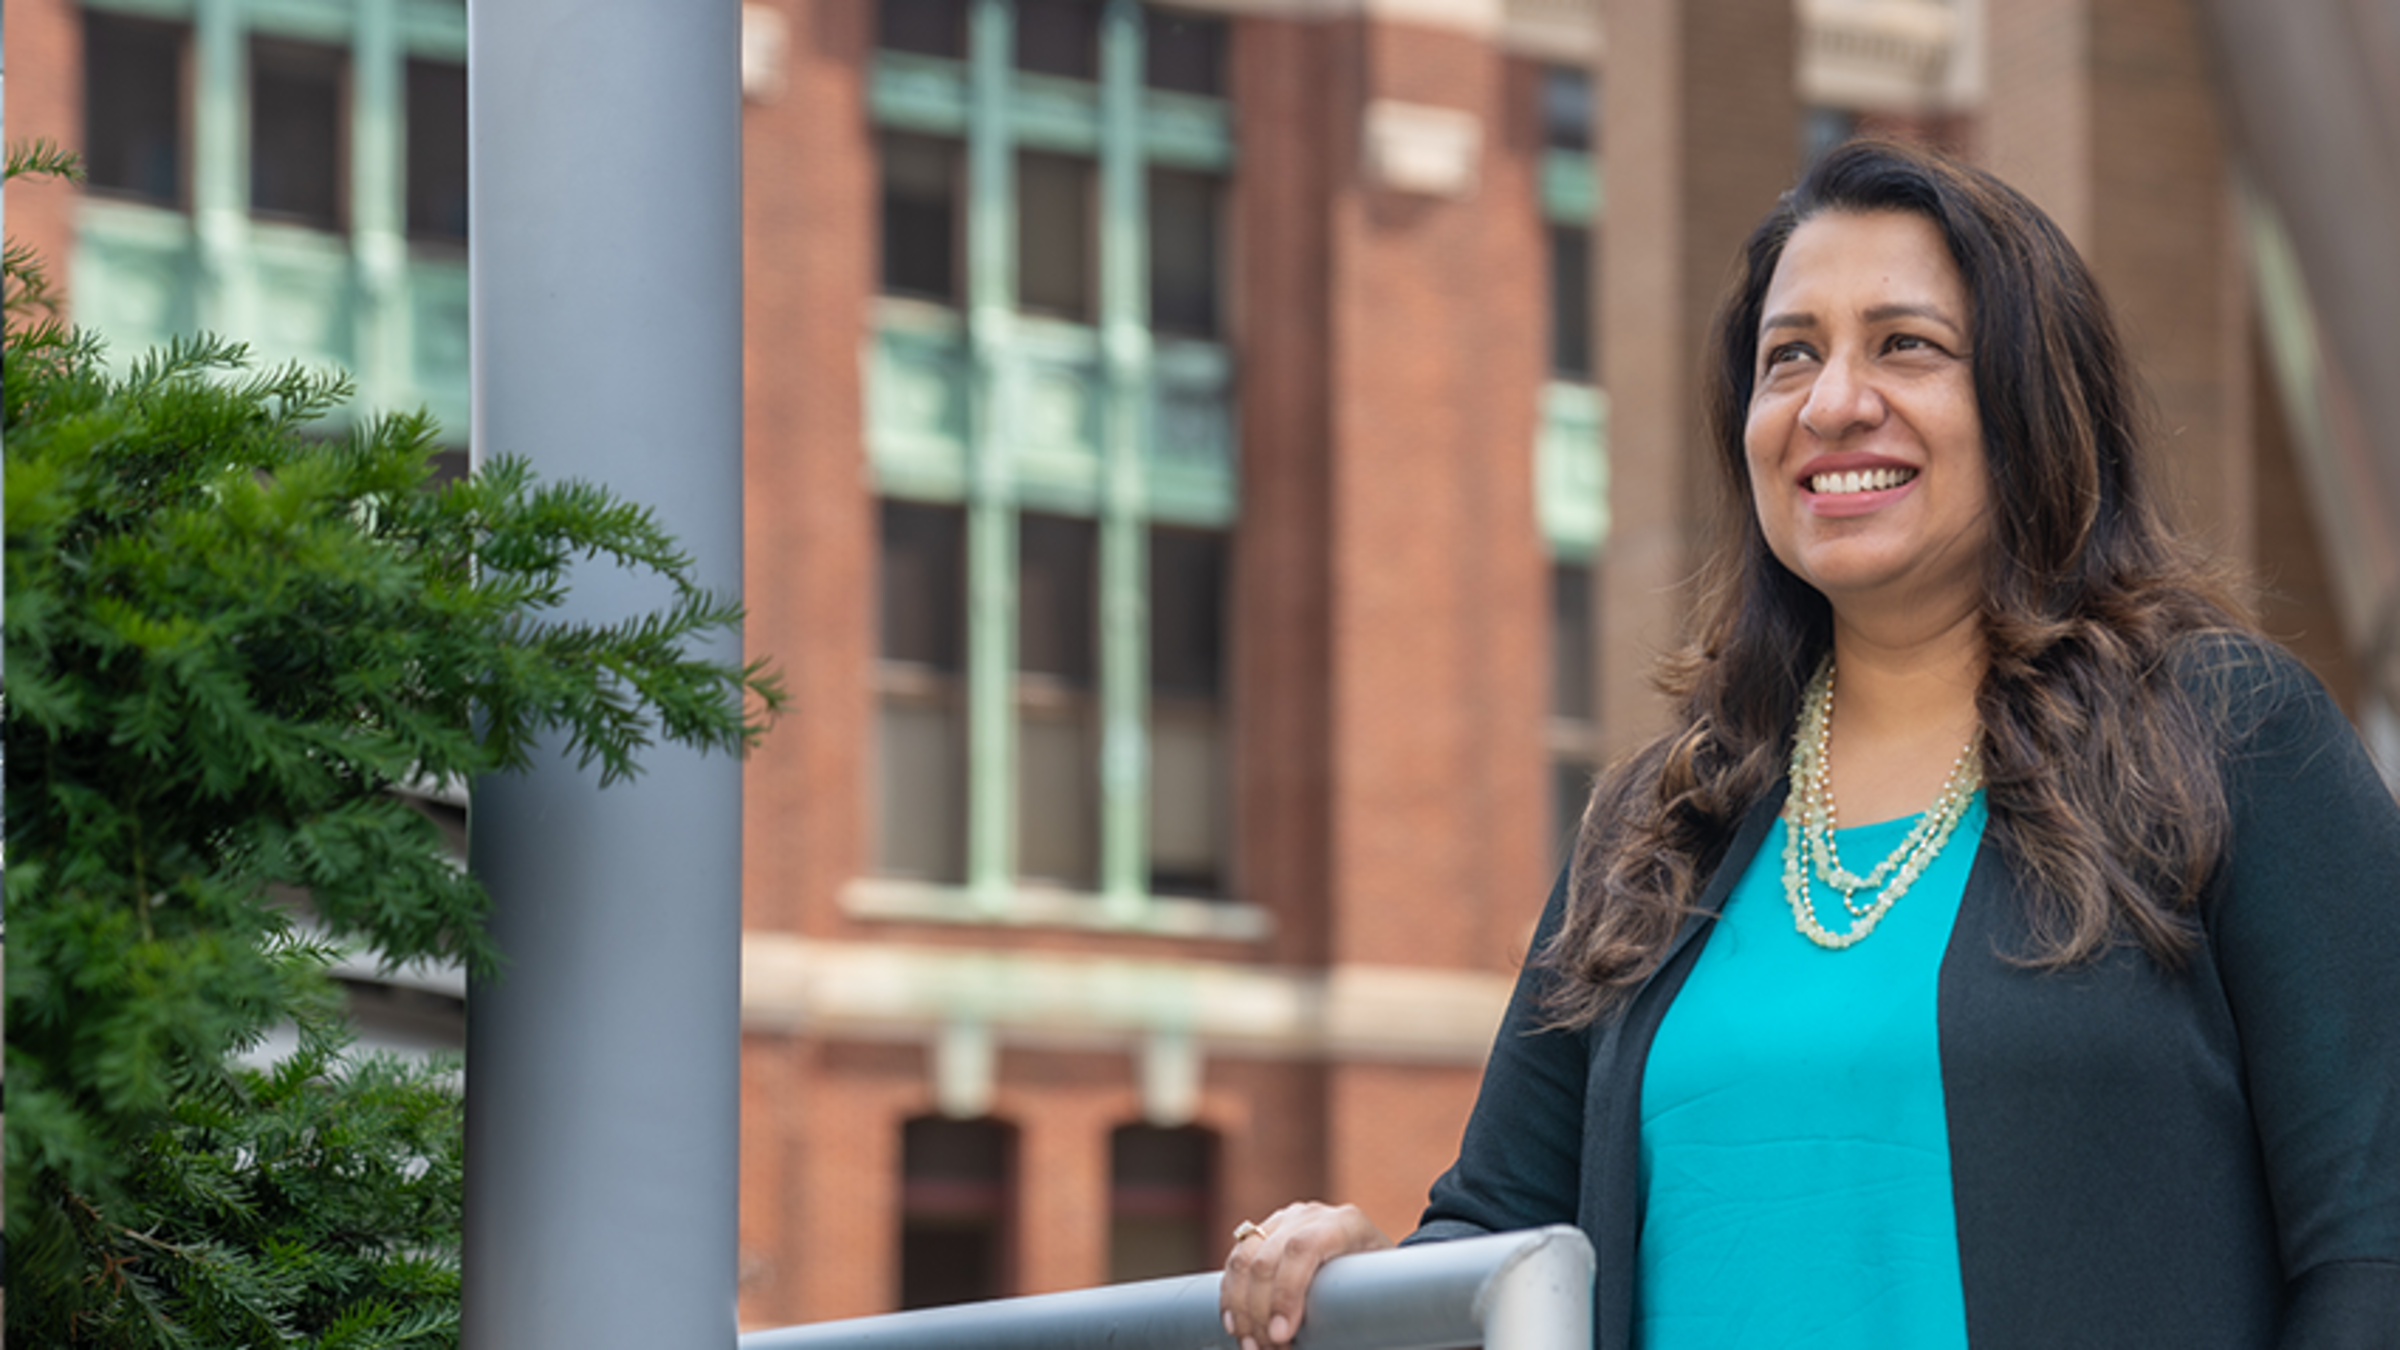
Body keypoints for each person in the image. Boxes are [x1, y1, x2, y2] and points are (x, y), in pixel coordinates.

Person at [1218, 138, 2400, 1349]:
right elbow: (1500, 1229)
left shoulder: (2231, 738)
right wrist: (1363, 1282)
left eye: (1907, 346)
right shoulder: (1662, 823)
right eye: (1791, 358)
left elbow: (2374, 1247)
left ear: (2032, 398)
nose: (1834, 404)